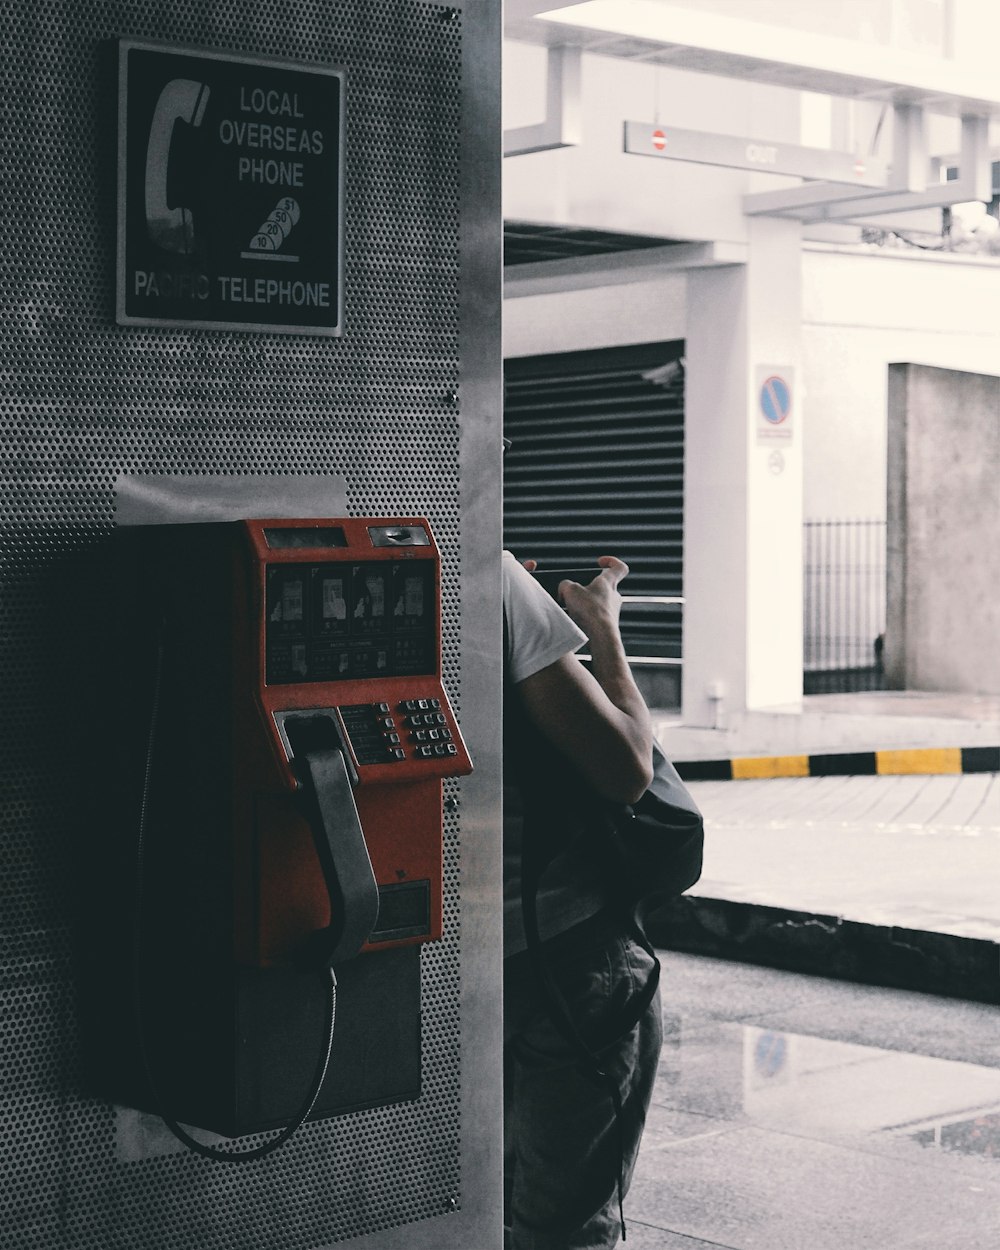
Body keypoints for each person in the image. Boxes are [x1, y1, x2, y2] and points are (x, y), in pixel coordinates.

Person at [503, 548, 662, 1250]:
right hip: (559, 946)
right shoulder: (488, 573)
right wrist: (601, 629)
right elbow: (626, 766)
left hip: (422, 960)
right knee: (562, 1225)